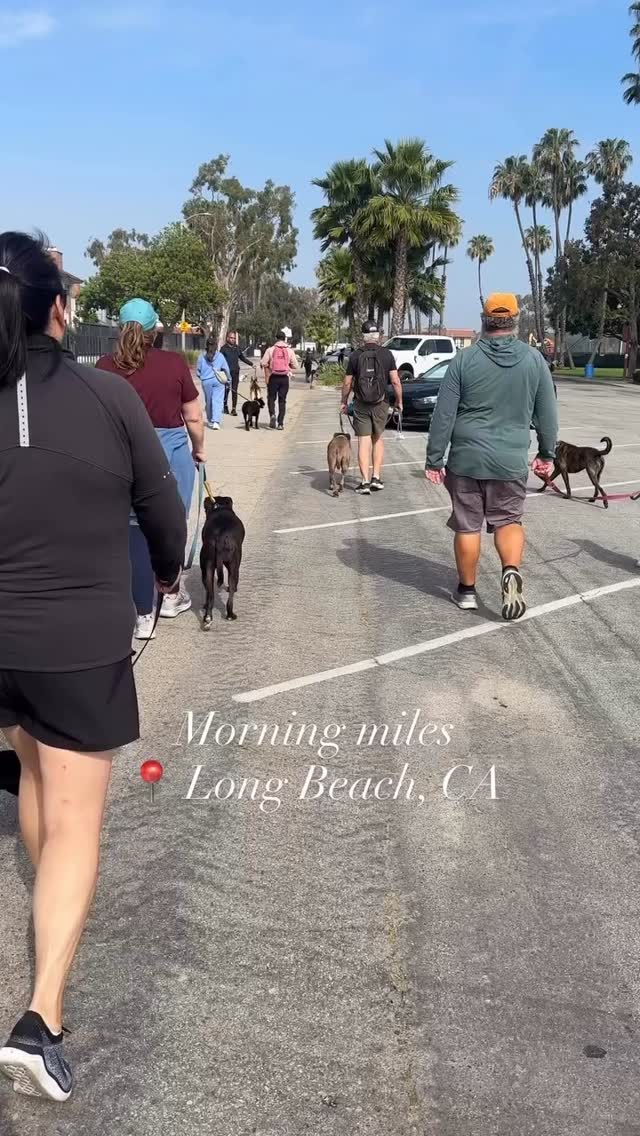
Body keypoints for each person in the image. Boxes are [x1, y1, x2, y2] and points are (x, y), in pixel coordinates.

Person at [0, 232, 185, 1101]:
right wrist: (169, 572)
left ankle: (51, 910)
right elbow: (164, 512)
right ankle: (42, 1018)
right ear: (60, 309)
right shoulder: (109, 397)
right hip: (77, 640)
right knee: (74, 819)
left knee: (37, 774)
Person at [425, 293, 558, 621]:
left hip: (466, 459)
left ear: (484, 321)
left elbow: (444, 413)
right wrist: (546, 453)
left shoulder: (463, 360)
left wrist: (434, 458)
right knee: (509, 521)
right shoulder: (534, 360)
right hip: (509, 460)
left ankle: (467, 591)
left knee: (467, 525)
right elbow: (547, 413)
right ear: (514, 321)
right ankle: (510, 569)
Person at [96, 300, 205, 636]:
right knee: (170, 524)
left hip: (122, 454)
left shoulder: (104, 366)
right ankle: (170, 595)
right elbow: (193, 416)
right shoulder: (173, 364)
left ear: (120, 329)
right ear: (154, 330)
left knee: (131, 528)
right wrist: (199, 449)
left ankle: (141, 611)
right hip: (170, 453)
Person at [340, 320, 403, 495]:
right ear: (378, 336)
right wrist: (399, 401)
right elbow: (396, 381)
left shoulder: (355, 356)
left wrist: (344, 402)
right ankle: (376, 477)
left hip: (360, 403)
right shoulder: (387, 355)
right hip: (381, 403)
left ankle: (365, 481)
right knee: (378, 438)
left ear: (363, 336)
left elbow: (347, 383)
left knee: (363, 441)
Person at [261, 331, 300, 430]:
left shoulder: (271, 349)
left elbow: (263, 362)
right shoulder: (289, 351)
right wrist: (287, 365)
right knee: (282, 401)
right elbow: (295, 365)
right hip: (284, 378)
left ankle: (272, 415)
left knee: (271, 398)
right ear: (284, 338)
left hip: (273, 377)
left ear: (276, 338)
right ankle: (280, 423)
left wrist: (270, 365)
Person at [197, 337, 231, 429]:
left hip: (206, 381)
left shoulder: (201, 357)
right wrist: (228, 380)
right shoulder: (220, 356)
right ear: (216, 345)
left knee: (209, 401)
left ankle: (210, 420)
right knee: (217, 400)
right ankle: (216, 421)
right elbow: (226, 369)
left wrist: (202, 377)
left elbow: (198, 371)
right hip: (218, 381)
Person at [221, 329, 252, 416]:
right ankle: (225, 406)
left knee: (234, 390)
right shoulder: (223, 349)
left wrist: (251, 364)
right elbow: (220, 360)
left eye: (234, 338)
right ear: (227, 338)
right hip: (226, 373)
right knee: (226, 390)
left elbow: (242, 358)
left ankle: (234, 409)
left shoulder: (237, 348)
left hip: (235, 372)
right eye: (231, 338)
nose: (232, 340)